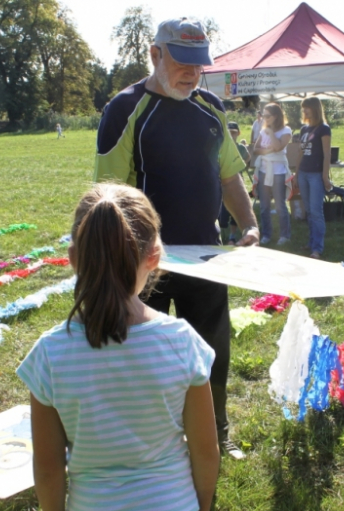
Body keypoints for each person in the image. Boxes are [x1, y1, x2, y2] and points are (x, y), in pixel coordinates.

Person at [94, 17, 259, 461]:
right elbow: (108, 197)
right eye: (181, 62)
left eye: (198, 64)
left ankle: (215, 431)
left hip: (207, 254)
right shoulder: (124, 110)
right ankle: (145, 438)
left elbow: (228, 174)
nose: (191, 72)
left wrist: (249, 224)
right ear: (155, 54)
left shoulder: (210, 107)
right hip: (146, 262)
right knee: (141, 351)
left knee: (211, 349)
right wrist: (130, 259)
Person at [18, 184, 219, 511]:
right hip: (175, 510)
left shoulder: (49, 356)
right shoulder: (182, 342)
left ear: (72, 259)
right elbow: (205, 452)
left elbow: (49, 467)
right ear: (154, 258)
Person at [252, 103, 293, 245]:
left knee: (280, 205)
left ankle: (285, 235)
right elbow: (256, 149)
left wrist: (270, 133)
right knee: (264, 206)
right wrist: (267, 151)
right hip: (264, 170)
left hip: (278, 172)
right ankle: (267, 234)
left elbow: (278, 147)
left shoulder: (286, 130)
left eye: (267, 116)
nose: (264, 118)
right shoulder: (263, 131)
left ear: (276, 117)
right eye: (263, 115)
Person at [297, 97, 332, 259]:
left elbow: (327, 154)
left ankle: (317, 248)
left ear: (315, 109)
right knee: (309, 211)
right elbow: (300, 153)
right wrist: (296, 173)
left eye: (307, 108)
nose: (304, 111)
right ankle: (311, 243)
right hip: (303, 173)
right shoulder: (304, 129)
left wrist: (325, 176)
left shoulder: (324, 129)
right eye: (303, 108)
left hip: (316, 175)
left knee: (316, 212)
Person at [219, 121, 250, 244]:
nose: (231, 135)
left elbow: (248, 157)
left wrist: (241, 165)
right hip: (222, 181)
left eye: (234, 132)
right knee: (223, 210)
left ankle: (232, 236)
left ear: (238, 133)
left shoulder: (241, 147)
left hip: (236, 181)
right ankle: (222, 234)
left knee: (235, 208)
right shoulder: (222, 145)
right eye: (229, 132)